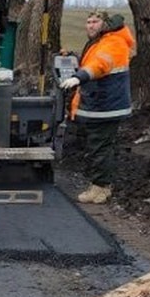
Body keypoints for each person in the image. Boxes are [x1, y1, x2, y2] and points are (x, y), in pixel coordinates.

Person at [59, 11, 135, 204]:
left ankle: (101, 188)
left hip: (106, 105)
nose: (91, 25)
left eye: (95, 21)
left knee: (100, 147)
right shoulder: (102, 41)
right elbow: (93, 61)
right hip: (100, 104)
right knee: (98, 146)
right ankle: (98, 185)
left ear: (105, 24)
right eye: (88, 22)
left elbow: (101, 64)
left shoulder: (113, 43)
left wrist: (78, 77)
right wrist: (74, 59)